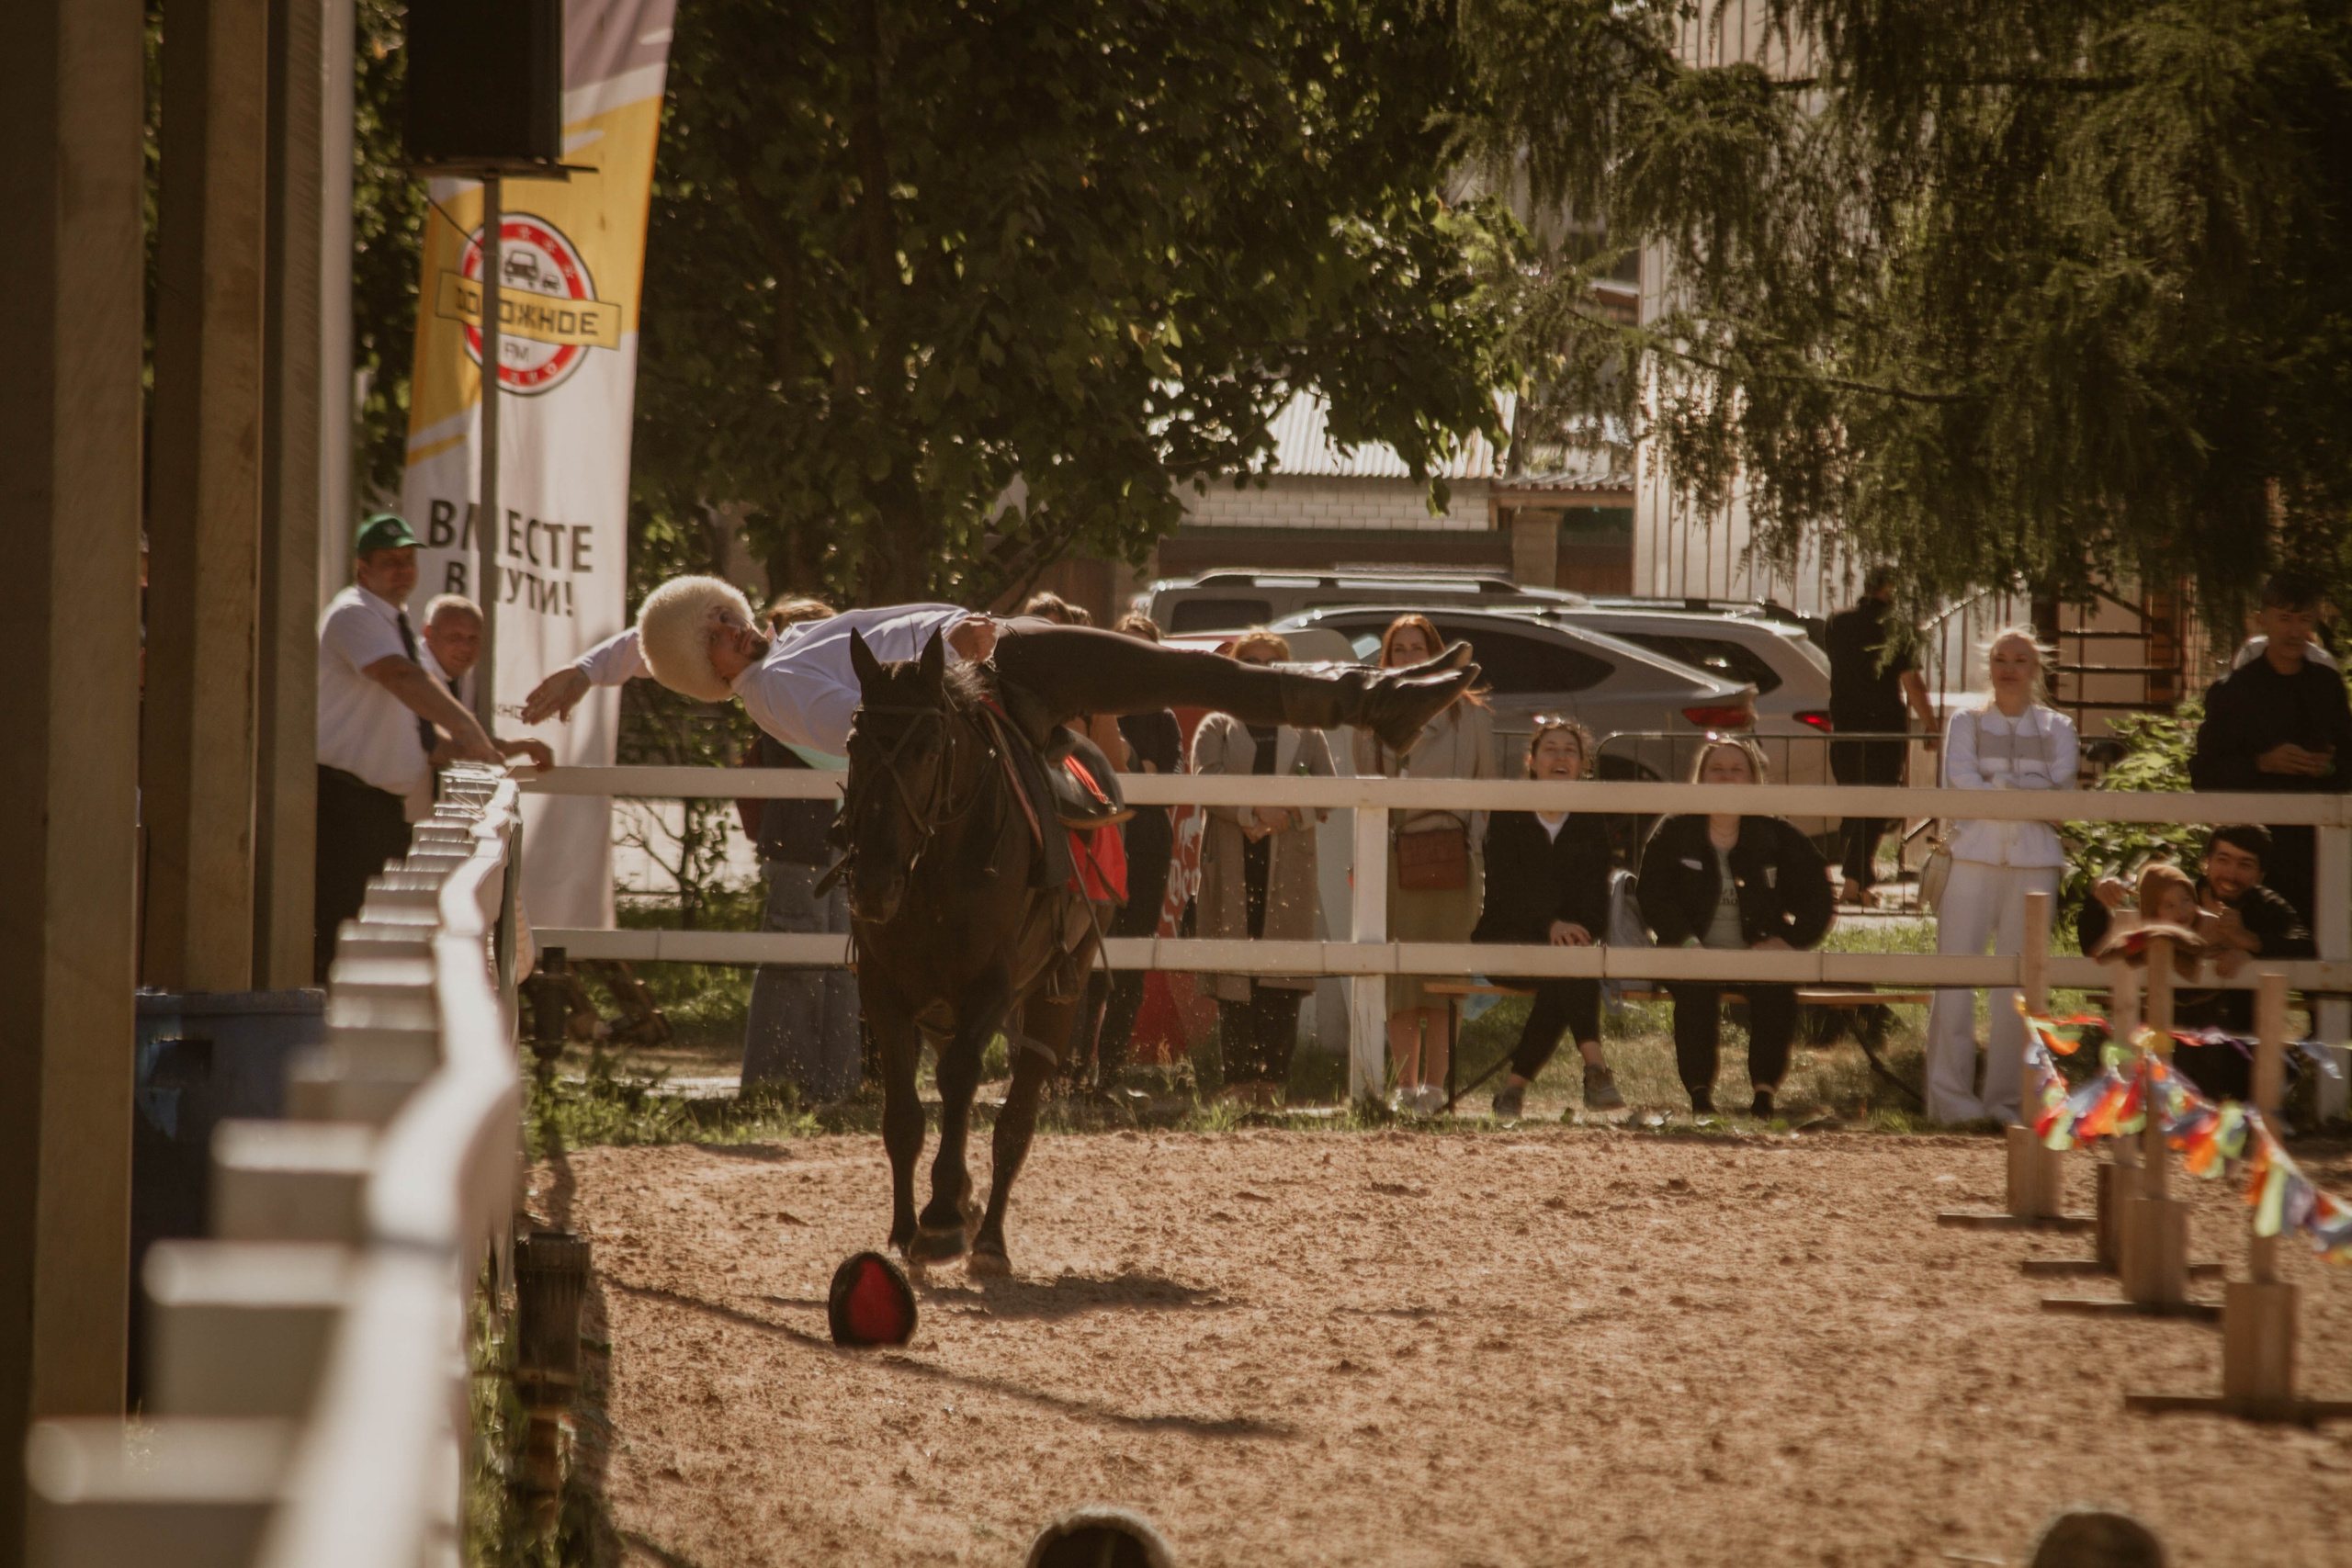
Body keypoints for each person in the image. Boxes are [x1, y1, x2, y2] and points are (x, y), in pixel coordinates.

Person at [520, 578, 1477, 776]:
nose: (732, 629)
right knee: (1192, 670)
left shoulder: (777, 646)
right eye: (717, 636)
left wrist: (585, 667)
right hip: (994, 671)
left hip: (990, 650)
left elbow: (654, 640)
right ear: (705, 668)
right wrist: (962, 651)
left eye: (725, 615)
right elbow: (881, 718)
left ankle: (1378, 708)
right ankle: (1375, 706)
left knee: (1190, 669)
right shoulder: (774, 692)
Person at [313, 514, 503, 979]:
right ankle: (327, 1039)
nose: (401, 571)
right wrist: (471, 733)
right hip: (344, 800)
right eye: (389, 562)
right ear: (362, 569)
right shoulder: (354, 613)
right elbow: (401, 679)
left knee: (368, 935)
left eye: (408, 561)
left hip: (374, 806)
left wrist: (474, 750)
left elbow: (410, 728)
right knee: (346, 935)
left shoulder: (389, 621)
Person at [1923, 627, 2079, 1122]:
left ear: (2036, 669)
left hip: (2035, 865)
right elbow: (1961, 783)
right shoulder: (1965, 721)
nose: (2009, 667)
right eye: (1999, 658)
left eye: (2020, 659)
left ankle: (2007, 1102)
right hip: (1971, 858)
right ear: (1988, 667)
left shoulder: (2060, 727)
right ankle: (1951, 1103)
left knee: (2018, 986)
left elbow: (2061, 792)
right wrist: (2024, 790)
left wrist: (2002, 785)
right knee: (1955, 979)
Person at [1638, 737, 1834, 1117]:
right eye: (1717, 769)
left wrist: (1788, 941)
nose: (1726, 777)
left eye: (1736, 770)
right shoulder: (1675, 829)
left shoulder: (1776, 833)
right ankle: (1700, 1098)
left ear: (1753, 780)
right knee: (1695, 994)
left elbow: (1819, 897)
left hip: (1757, 952)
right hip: (1691, 952)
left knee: (1776, 993)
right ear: (1701, 778)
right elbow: (1653, 896)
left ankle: (1763, 1096)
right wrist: (1685, 941)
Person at [1353, 614, 1495, 1114]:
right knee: (1402, 983)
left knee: (1444, 981)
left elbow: (1485, 790)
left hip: (1454, 860)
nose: (1410, 658)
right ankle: (1405, 1087)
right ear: (1387, 659)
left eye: (1419, 648)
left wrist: (1469, 844)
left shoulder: (1471, 716)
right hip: (1395, 860)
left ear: (1435, 653)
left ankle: (1436, 1089)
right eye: (1400, 650)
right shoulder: (1372, 717)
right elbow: (1362, 791)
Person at [1191, 631, 1335, 1105]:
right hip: (1233, 857)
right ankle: (1237, 1083)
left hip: (1287, 860)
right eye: (1250, 661)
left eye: (1271, 663)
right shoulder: (1216, 725)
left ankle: (1271, 1083)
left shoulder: (1308, 729)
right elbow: (1206, 781)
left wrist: (1285, 817)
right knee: (1237, 978)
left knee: (1281, 975)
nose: (1260, 668)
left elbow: (1329, 792)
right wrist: (1251, 815)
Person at [2078, 825, 2314, 1094]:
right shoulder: (2176, 892)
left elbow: (2305, 947)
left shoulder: (2266, 905)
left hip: (2233, 1044)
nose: (2231, 874)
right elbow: (2099, 945)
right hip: (2159, 1032)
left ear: (2261, 874)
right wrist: (2099, 898)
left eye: (2245, 865)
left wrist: (2250, 944)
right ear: (2206, 862)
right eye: (2223, 860)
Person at [738, 597, 863, 1102]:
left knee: (839, 968)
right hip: (801, 844)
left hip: (830, 844)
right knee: (795, 964)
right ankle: (782, 1081)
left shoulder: (795, 690)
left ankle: (829, 1085)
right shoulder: (784, 691)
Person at [1472, 717, 1625, 1117]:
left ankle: (1513, 1092)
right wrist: (1550, 925)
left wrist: (1580, 930)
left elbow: (1597, 891)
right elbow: (1505, 889)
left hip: (1570, 947)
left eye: (1570, 750)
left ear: (1583, 765)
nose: (1561, 756)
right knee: (1570, 971)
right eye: (1551, 749)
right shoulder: (1509, 814)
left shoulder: (1591, 818)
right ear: (1533, 762)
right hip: (1506, 939)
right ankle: (1595, 1066)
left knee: (1567, 971)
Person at [2190, 572, 2352, 930]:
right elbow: (2204, 773)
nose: (2295, 632)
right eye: (2285, 619)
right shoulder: (2233, 692)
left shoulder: (2327, 687)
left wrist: (2327, 768)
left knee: (2325, 956)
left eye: (2304, 620)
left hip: (2320, 848)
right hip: (2250, 855)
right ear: (2261, 621)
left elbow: (2348, 760)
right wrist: (2262, 763)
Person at [1095, 614, 1186, 1078]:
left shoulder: (1163, 716)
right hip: (1100, 842)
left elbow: (1171, 782)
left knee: (1131, 962)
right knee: (1090, 953)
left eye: (1141, 647)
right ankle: (1072, 1067)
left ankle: (1108, 1069)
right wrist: (1136, 767)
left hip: (1148, 848)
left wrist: (1137, 770)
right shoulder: (1094, 703)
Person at [1825, 567, 1935, 905]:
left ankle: (1856, 882)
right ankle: (1854, 884)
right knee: (1876, 803)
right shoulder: (1897, 629)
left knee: (1853, 803)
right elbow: (1912, 684)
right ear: (1890, 590)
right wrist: (1930, 724)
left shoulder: (1835, 622)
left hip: (1844, 724)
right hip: (1883, 727)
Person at [413, 593, 554, 780]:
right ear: (429, 633)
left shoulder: (460, 676)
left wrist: (525, 745)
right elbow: (444, 746)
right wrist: (510, 749)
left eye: (473, 639)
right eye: (455, 637)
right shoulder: (418, 673)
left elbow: (467, 744)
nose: (465, 648)